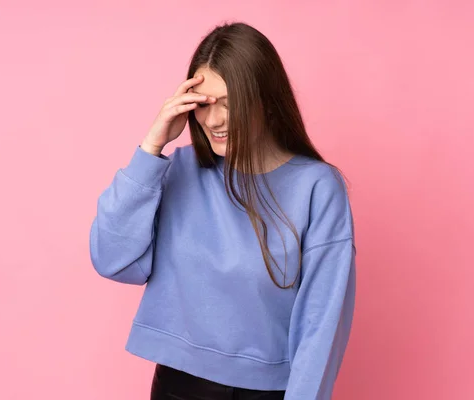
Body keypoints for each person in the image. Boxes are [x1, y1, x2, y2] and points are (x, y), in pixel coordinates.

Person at [89, 22, 356, 400]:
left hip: (269, 392)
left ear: (266, 99)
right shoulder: (175, 171)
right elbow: (111, 260)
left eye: (231, 104)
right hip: (177, 386)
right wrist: (152, 147)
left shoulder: (316, 187)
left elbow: (322, 322)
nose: (214, 120)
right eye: (205, 104)